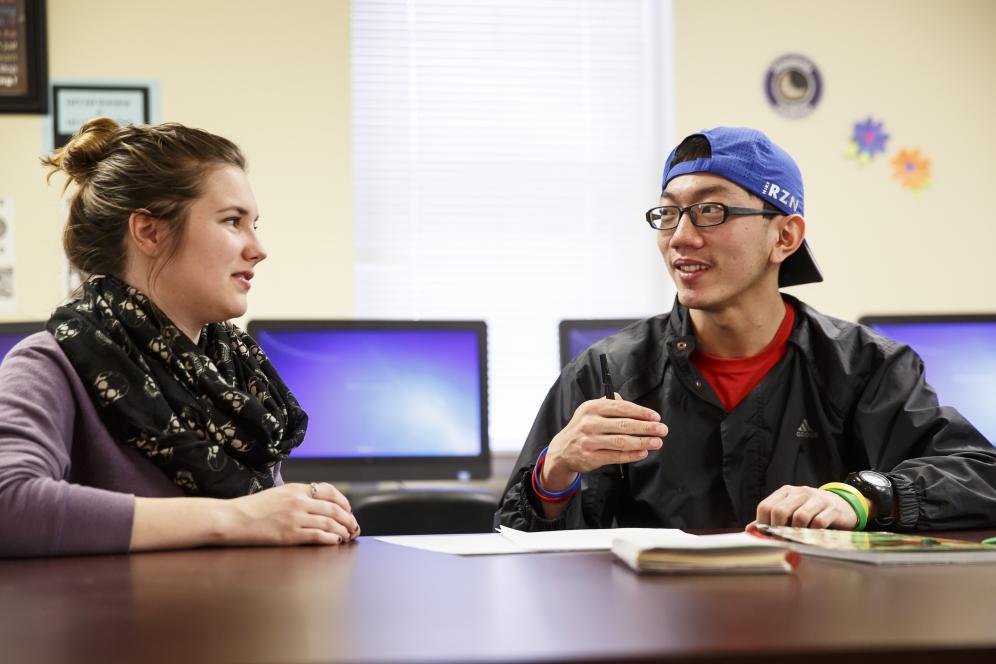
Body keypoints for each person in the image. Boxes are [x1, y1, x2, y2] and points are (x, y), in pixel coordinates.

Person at [498, 126, 996, 533]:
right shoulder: (607, 374)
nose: (681, 238)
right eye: (668, 213)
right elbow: (520, 550)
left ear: (785, 235)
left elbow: (980, 474)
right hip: (661, 637)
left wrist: (863, 496)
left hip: (821, 632)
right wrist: (551, 475)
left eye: (711, 211)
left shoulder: (865, 368)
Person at [0, 118, 360, 557]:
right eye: (232, 221)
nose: (257, 248)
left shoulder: (234, 371)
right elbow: (9, 504)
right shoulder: (49, 362)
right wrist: (239, 517)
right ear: (149, 231)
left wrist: (305, 512)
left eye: (255, 224)